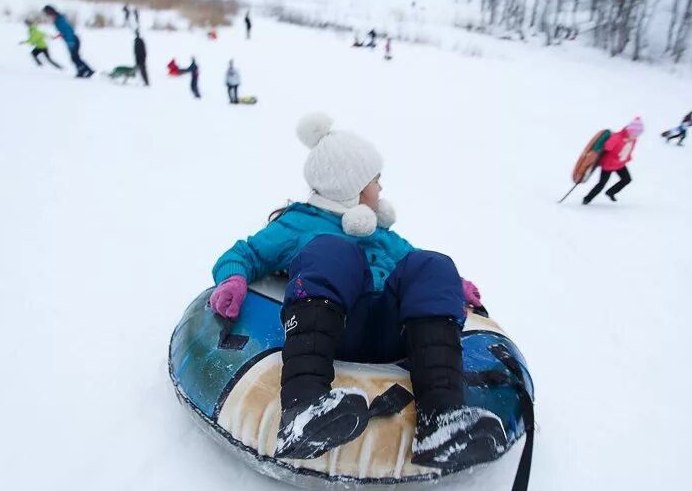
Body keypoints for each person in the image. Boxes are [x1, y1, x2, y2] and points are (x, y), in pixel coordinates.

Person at [208, 113, 505, 470]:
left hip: (394, 334)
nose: (380, 190)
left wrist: (453, 284)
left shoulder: (379, 231)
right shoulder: (298, 223)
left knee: (433, 262)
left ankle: (441, 421)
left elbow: (415, 269)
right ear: (351, 185)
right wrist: (233, 280)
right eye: (375, 181)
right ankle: (304, 408)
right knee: (331, 251)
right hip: (332, 329)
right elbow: (245, 253)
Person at [583, 117, 644, 205]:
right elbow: (607, 147)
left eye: (638, 134)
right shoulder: (617, 137)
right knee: (601, 184)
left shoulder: (633, 140)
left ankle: (611, 192)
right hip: (608, 164)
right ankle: (587, 199)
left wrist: (627, 157)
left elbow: (628, 150)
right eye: (634, 133)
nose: (636, 136)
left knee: (627, 179)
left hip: (620, 164)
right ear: (629, 130)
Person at [42, 4, 93, 78]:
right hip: (71, 40)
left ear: (51, 13)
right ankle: (84, 71)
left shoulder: (59, 20)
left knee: (74, 57)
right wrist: (59, 35)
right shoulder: (58, 19)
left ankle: (87, 71)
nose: (47, 16)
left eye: (47, 14)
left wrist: (70, 42)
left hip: (73, 40)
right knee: (75, 57)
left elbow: (69, 31)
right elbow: (64, 31)